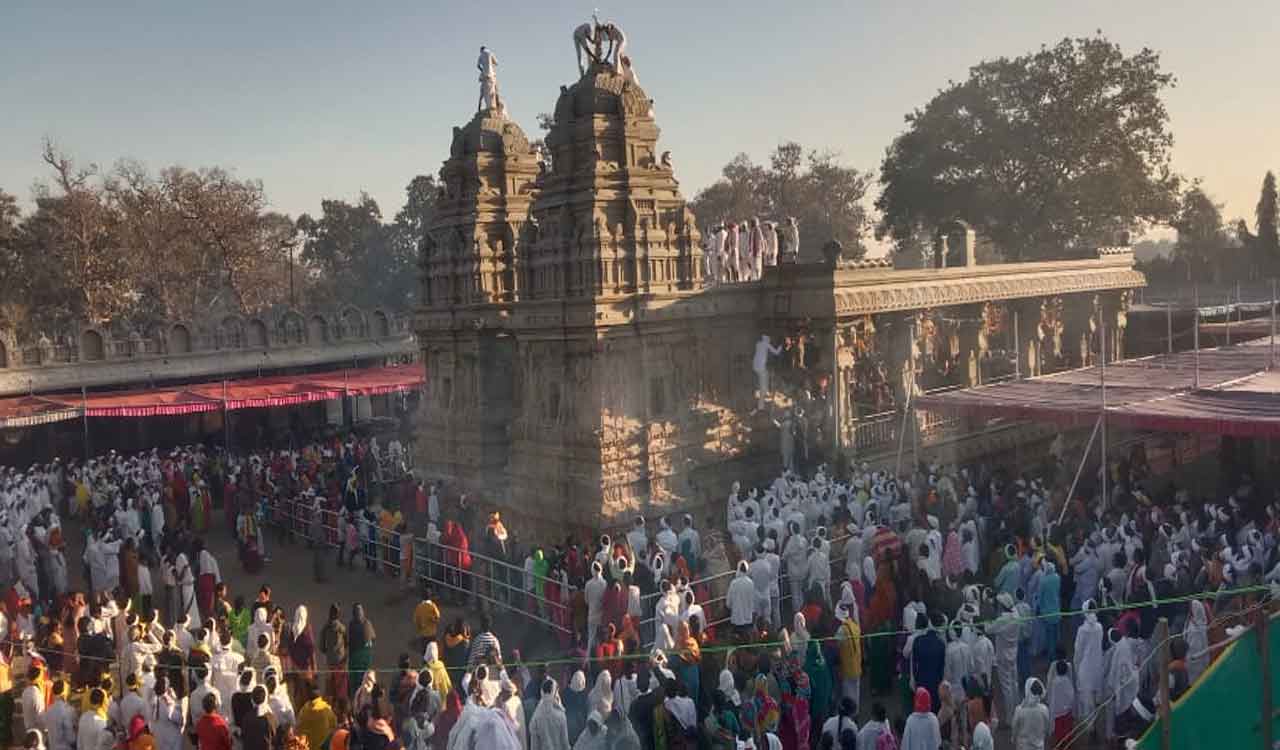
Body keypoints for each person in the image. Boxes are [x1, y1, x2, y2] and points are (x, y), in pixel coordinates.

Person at [530, 677, 570, 750]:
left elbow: (534, 745)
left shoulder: (536, 716)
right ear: (554, 692)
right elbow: (565, 743)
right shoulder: (560, 715)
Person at [1011, 678, 1050, 750]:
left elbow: (1015, 728)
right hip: (1039, 747)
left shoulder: (1019, 710)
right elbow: (1047, 728)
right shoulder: (1044, 709)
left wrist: (1013, 738)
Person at [296, 682, 336, 750]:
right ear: (320, 695)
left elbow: (299, 731)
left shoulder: (303, 711)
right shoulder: (327, 709)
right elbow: (334, 727)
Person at [347, 604, 376, 699]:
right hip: (364, 658)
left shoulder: (351, 625)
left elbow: (349, 641)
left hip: (355, 657)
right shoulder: (367, 623)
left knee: (355, 683)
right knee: (365, 680)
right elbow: (373, 638)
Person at [321, 604, 349, 701]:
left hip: (330, 662)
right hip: (340, 661)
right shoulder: (342, 628)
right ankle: (341, 703)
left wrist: (328, 651)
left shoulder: (325, 628)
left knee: (329, 685)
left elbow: (321, 647)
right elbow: (347, 643)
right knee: (341, 685)